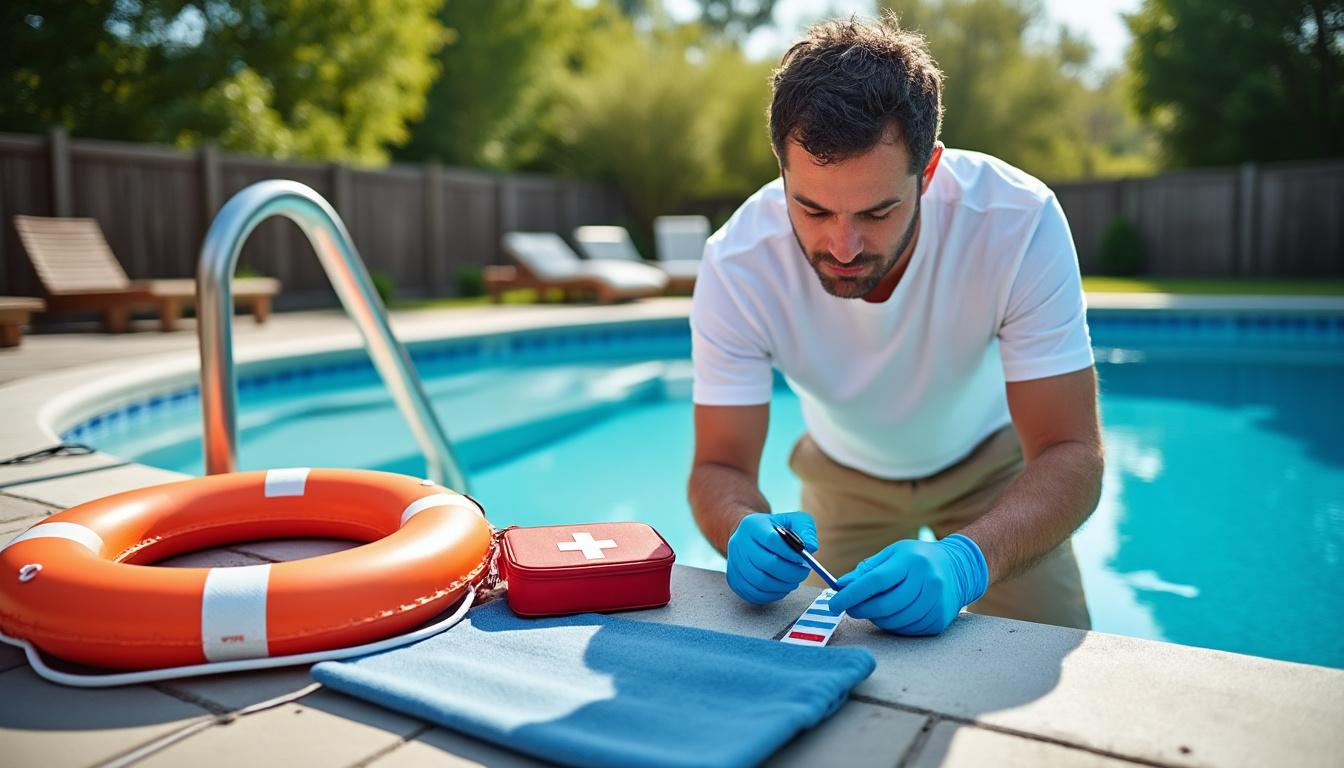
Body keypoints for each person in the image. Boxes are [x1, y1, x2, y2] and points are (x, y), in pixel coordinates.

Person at [687, 14, 1102, 636]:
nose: (844, 245)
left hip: (995, 471)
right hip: (844, 477)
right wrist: (740, 528)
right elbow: (718, 468)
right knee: (812, 663)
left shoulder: (1018, 220)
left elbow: (1073, 452)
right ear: (781, 171)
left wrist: (967, 563)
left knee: (1052, 671)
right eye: (812, 207)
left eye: (878, 210)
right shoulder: (737, 264)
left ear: (928, 170)